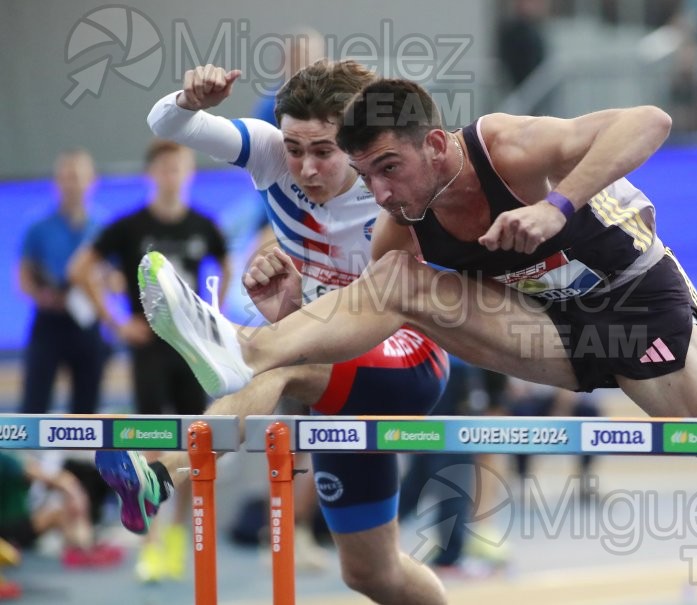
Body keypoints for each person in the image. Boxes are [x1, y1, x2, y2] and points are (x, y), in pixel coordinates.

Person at [137, 77, 697, 552]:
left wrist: (555, 206)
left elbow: (650, 121)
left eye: (388, 168)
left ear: (435, 146)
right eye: (365, 174)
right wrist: (288, 313)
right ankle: (244, 347)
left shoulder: (507, 149)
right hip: (547, 332)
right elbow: (365, 310)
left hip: (637, 312)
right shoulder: (401, 219)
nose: (379, 191)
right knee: (397, 279)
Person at [96, 61, 451, 604]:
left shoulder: (390, 180)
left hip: (408, 355)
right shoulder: (267, 151)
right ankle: (236, 343)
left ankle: (162, 471)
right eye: (294, 149)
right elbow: (167, 124)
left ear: (355, 143)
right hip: (329, 367)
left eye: (325, 152)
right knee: (372, 574)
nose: (305, 168)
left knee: (277, 360)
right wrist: (191, 100)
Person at [68, 139, 229, 583]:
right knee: (156, 442)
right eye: (164, 169)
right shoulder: (128, 227)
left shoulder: (205, 225)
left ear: (189, 173)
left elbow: (225, 265)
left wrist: (215, 317)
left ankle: (177, 539)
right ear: (151, 174)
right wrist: (117, 323)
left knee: (197, 443)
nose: (172, 176)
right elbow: (80, 270)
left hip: (193, 352)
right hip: (149, 350)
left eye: (179, 168)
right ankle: (154, 542)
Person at [18, 149, 109, 415]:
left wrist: (100, 289)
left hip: (86, 319)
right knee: (35, 398)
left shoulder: (103, 228)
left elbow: (114, 277)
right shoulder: (39, 228)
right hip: (50, 320)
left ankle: (79, 457)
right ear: (57, 182)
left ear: (92, 181)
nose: (72, 184)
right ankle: (30, 456)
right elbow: (23, 275)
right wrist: (40, 295)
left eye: (78, 177)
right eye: (66, 177)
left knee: (87, 401)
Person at [0, 452, 122, 568]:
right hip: (7, 530)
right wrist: (76, 494)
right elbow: (61, 481)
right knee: (59, 513)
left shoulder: (11, 458)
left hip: (15, 524)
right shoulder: (7, 460)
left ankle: (83, 548)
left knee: (61, 508)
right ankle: (83, 550)